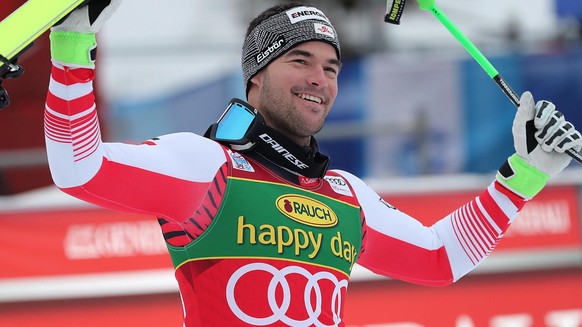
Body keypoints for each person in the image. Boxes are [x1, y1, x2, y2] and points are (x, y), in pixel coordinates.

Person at [44, 1, 581, 326]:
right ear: (255, 77)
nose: (319, 80)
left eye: (331, 67)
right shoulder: (208, 164)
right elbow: (77, 165)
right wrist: (73, 42)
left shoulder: (345, 194)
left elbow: (439, 259)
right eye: (299, 60)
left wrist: (526, 173)